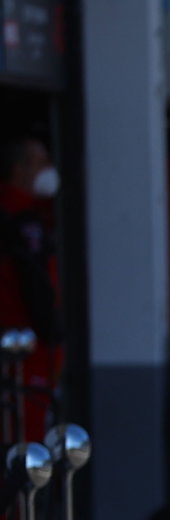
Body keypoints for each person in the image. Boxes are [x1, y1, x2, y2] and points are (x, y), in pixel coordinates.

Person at [0, 135, 62, 442]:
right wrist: (54, 331)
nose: (49, 169)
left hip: (24, 349)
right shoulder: (22, 219)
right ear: (19, 169)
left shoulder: (32, 214)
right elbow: (36, 291)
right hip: (25, 352)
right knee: (27, 442)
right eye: (41, 163)